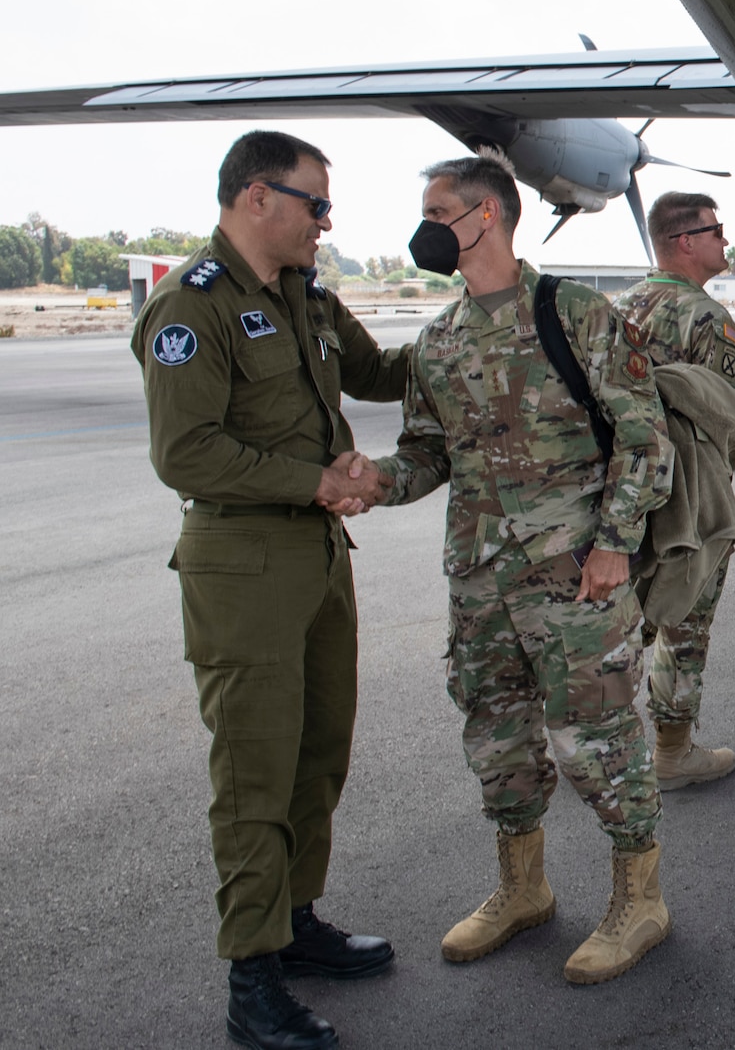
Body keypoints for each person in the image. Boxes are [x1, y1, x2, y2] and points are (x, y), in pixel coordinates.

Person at [372, 155, 676, 983]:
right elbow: (427, 453)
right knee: (496, 741)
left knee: (598, 741)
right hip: (480, 583)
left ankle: (639, 897)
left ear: (489, 217)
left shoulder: (572, 313)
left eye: (439, 212)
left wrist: (616, 541)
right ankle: (523, 888)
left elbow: (645, 436)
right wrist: (371, 482)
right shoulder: (438, 340)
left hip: (575, 575)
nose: (427, 227)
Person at [132, 129, 404, 1050]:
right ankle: (252, 978)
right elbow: (186, 451)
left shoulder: (306, 295)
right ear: (258, 197)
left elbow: (380, 374)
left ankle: (294, 922)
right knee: (254, 772)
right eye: (315, 204)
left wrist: (491, 322)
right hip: (242, 562)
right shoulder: (190, 306)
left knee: (319, 748)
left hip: (318, 558)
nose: (326, 222)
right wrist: (317, 482)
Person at [613, 192, 735, 789]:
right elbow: (728, 414)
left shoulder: (619, 307)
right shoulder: (706, 318)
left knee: (619, 623)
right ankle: (672, 751)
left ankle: (597, 747)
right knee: (684, 625)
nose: (725, 240)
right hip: (686, 497)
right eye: (715, 230)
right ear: (684, 240)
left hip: (620, 494)